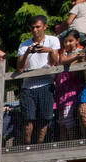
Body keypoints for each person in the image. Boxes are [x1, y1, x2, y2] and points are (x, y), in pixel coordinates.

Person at [17, 15, 61, 145]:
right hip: (28, 86)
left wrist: (49, 51)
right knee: (28, 119)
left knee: (45, 118)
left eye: (38, 27)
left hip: (46, 83)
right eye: (33, 28)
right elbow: (19, 67)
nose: (35, 30)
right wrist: (27, 53)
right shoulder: (24, 45)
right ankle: (27, 145)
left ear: (45, 27)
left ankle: (40, 145)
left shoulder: (53, 41)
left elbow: (54, 62)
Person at [54, 29, 86, 141]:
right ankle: (63, 144)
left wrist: (75, 57)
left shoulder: (80, 52)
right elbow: (62, 61)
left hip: (72, 90)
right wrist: (73, 57)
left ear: (77, 41)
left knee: (68, 119)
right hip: (61, 92)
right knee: (61, 123)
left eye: (70, 41)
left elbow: (67, 62)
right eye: (65, 41)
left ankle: (72, 143)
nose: (68, 44)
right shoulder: (64, 54)